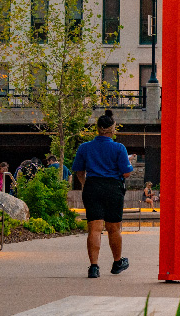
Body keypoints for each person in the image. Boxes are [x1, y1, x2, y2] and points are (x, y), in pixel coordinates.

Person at [73, 110, 134, 278]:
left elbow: (79, 171)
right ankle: (117, 262)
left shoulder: (84, 147)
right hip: (113, 188)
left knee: (94, 228)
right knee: (114, 228)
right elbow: (126, 173)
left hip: (92, 186)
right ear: (113, 128)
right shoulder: (119, 148)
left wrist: (86, 184)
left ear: (97, 128)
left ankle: (93, 267)